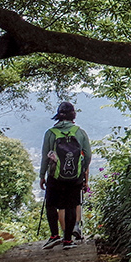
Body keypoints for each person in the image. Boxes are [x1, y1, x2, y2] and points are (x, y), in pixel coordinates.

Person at [40, 101, 92, 249]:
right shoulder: (80, 132)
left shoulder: (51, 133)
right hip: (74, 177)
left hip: (54, 176)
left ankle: (54, 235)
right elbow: (88, 155)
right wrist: (82, 170)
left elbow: (45, 156)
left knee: (51, 204)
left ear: (58, 115)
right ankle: (68, 240)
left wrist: (42, 175)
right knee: (71, 206)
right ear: (73, 115)